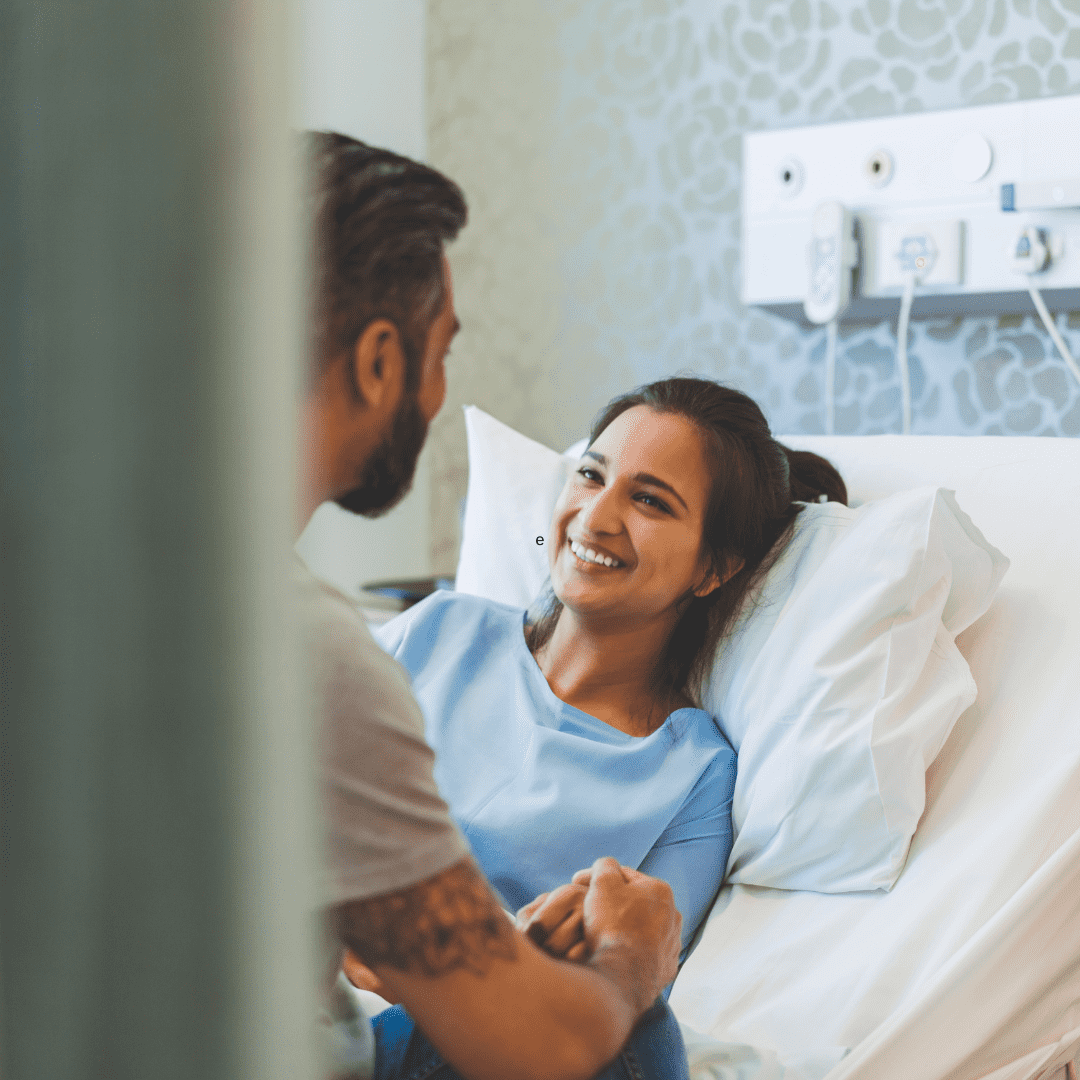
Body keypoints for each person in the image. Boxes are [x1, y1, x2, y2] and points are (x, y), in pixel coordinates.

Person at [297, 131, 691, 1080]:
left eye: (650, 497)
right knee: (636, 1028)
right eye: (441, 355)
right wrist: (632, 965)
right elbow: (537, 1045)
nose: (438, 394)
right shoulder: (332, 662)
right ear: (379, 361)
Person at [357, 376, 847, 976]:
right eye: (590, 475)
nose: (596, 516)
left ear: (713, 567)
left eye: (650, 501)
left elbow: (623, 990)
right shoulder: (435, 632)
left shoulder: (691, 780)